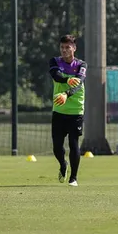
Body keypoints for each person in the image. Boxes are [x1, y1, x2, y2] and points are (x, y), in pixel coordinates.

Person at [48, 35, 87, 187]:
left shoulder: (81, 64)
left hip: (76, 110)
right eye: (62, 47)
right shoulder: (55, 61)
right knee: (57, 147)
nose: (64, 50)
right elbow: (56, 75)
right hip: (59, 110)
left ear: (74, 48)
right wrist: (66, 80)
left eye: (67, 47)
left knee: (73, 143)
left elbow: (78, 85)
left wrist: (66, 94)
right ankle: (63, 165)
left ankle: (74, 178)